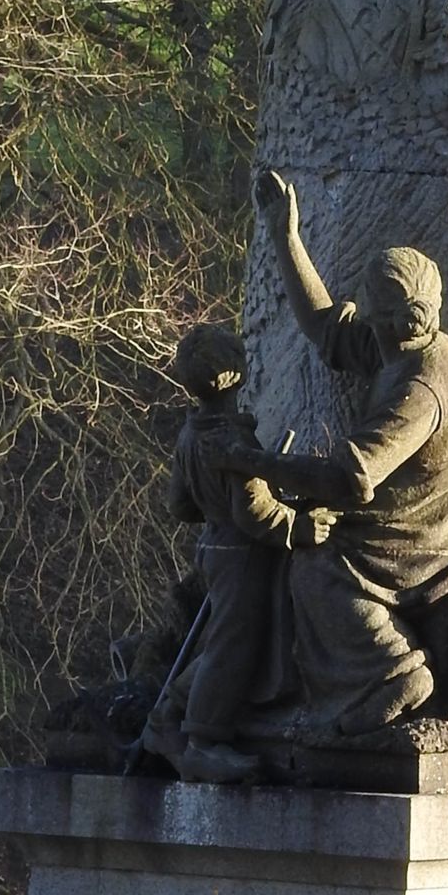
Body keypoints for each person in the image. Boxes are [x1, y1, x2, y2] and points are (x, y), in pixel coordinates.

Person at [229, 170, 448, 735]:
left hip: (422, 529)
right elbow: (325, 327)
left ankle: (391, 671)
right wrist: (285, 236)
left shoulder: (421, 388)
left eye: (367, 311)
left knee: (317, 565)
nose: (362, 321)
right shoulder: (400, 345)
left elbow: (351, 478)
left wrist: (259, 465)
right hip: (410, 503)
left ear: (389, 319)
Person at [137, 323, 320, 782]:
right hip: (242, 555)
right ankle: (203, 739)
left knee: (225, 639)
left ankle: (169, 712)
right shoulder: (232, 441)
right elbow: (254, 514)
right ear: (237, 374)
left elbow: (180, 505)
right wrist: (298, 527)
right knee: (231, 646)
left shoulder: (190, 434)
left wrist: (213, 504)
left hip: (214, 548)